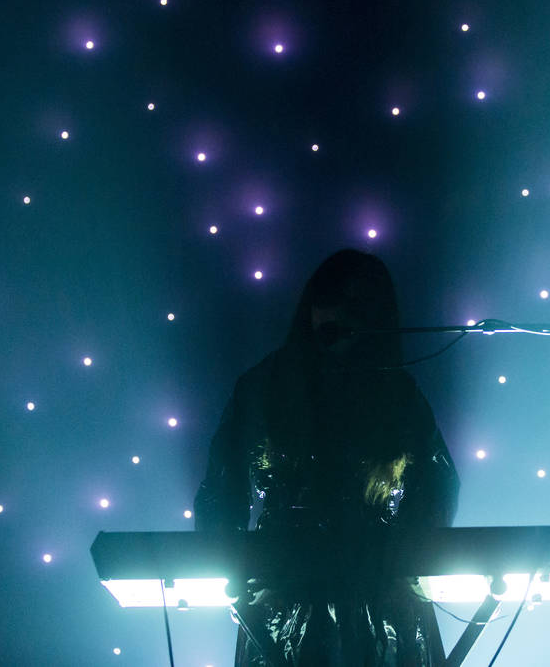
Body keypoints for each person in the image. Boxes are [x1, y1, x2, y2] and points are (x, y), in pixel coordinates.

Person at [193, 248, 460, 667]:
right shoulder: (265, 385)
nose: (340, 317)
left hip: (373, 586)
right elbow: (222, 483)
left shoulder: (398, 393)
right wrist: (227, 558)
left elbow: (437, 484)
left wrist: (414, 556)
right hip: (291, 585)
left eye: (357, 306)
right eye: (331, 302)